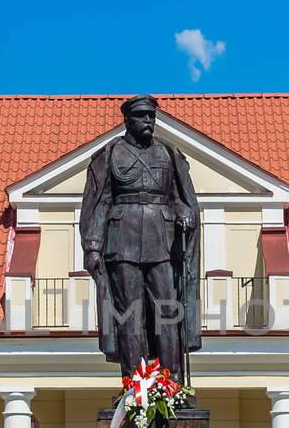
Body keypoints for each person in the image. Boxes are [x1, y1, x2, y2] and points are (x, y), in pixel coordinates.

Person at [79, 95, 201, 379]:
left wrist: (186, 214)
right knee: (130, 315)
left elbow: (178, 199)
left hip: (163, 243)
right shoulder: (110, 155)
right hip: (122, 243)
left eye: (151, 116)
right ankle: (137, 385)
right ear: (127, 120)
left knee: (168, 313)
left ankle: (170, 384)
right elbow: (98, 204)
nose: (149, 121)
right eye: (142, 116)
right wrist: (93, 247)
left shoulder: (169, 154)